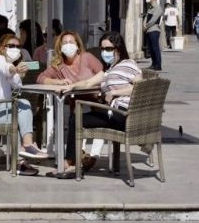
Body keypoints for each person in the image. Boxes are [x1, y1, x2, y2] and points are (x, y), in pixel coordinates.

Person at [50, 32, 142, 179]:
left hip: (123, 114)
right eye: (103, 49)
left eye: (109, 49)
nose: (105, 52)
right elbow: (88, 82)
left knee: (77, 118)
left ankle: (71, 164)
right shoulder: (109, 69)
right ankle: (71, 163)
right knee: (76, 118)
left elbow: (140, 86)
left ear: (118, 48)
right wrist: (72, 87)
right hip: (115, 114)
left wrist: (116, 93)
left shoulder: (128, 64)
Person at [0, 33, 48, 176]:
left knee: (20, 112)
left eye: (18, 47)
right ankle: (27, 147)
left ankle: (21, 160)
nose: (15, 49)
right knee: (23, 105)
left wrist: (20, 73)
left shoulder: (11, 67)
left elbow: (17, 85)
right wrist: (15, 70)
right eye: (11, 46)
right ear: (2, 48)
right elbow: (6, 68)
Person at [36, 31, 103, 86]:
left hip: (96, 100)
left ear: (77, 46)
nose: (68, 45)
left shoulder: (87, 57)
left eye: (71, 42)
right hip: (75, 101)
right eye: (65, 43)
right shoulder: (59, 65)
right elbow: (40, 78)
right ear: (61, 47)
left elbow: (104, 75)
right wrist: (58, 82)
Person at [143, 0, 162, 71]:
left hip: (154, 30)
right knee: (150, 48)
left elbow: (153, 20)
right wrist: (143, 25)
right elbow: (146, 18)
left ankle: (158, 65)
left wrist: (146, 26)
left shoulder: (158, 8)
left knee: (155, 48)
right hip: (149, 30)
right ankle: (153, 64)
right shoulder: (150, 8)